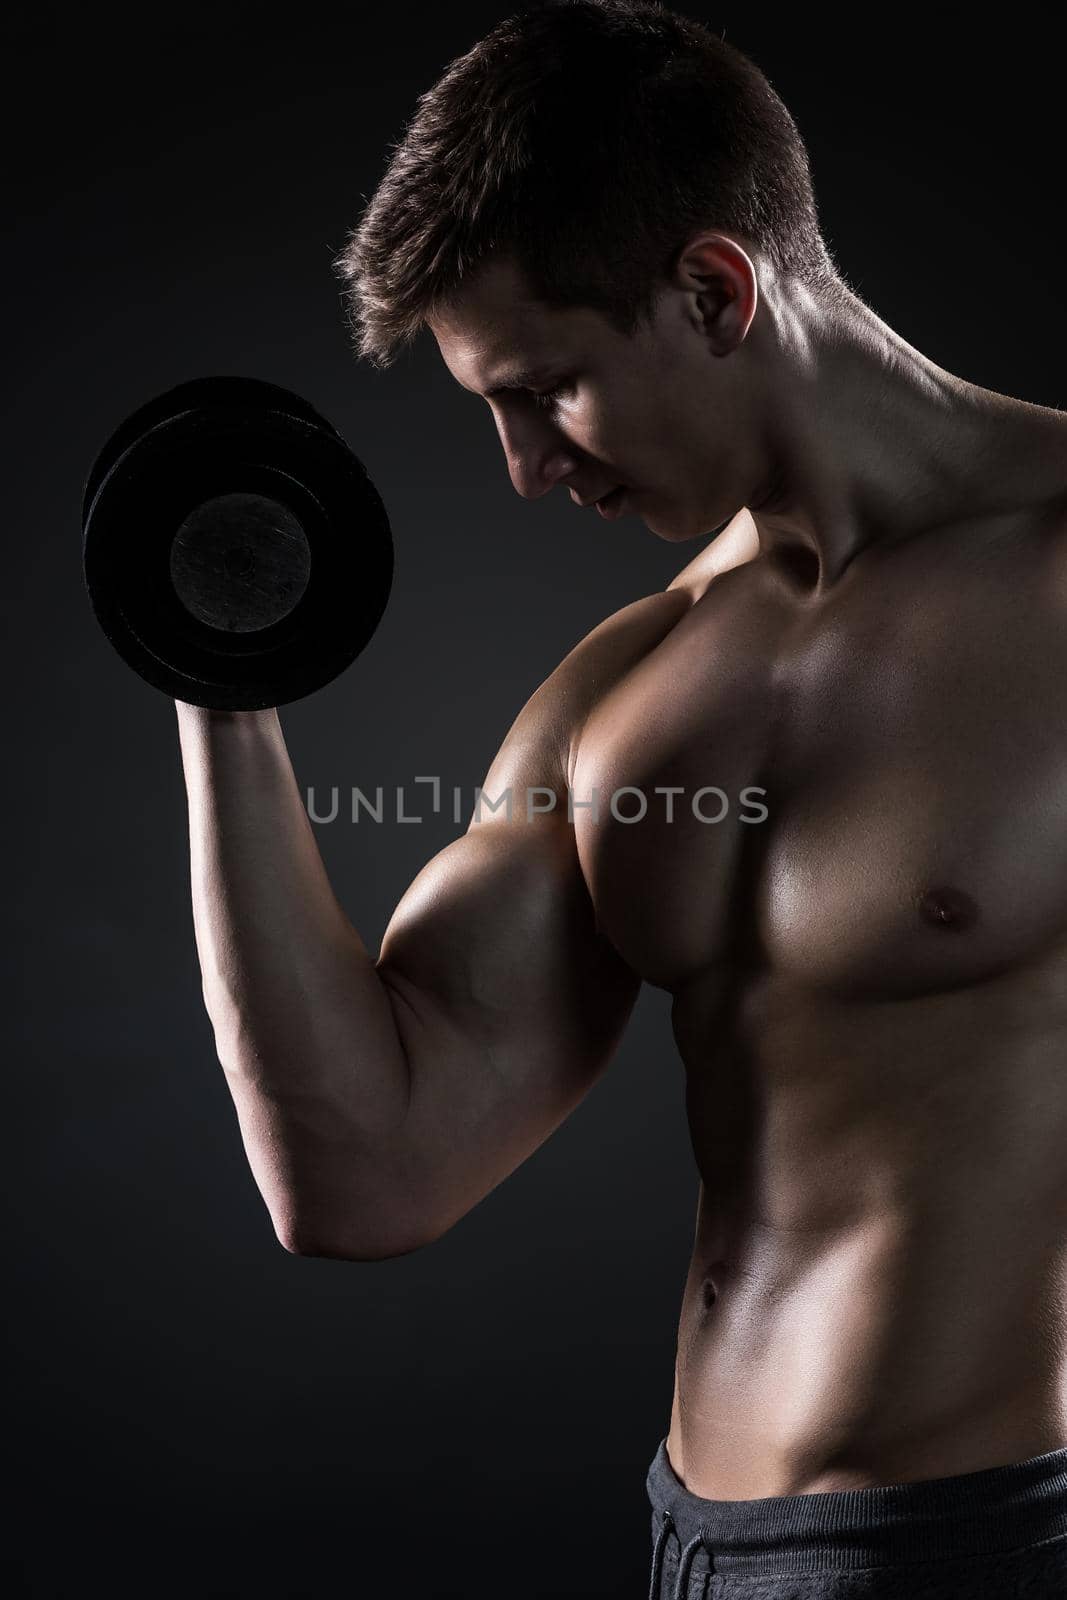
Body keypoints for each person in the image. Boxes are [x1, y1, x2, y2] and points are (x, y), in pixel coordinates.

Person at [175, 2, 1067, 1595]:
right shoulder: (629, 688)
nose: (527, 466)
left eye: (549, 390)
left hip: (1001, 1541)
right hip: (696, 1544)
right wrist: (216, 673)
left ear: (716, 292)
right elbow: (365, 1166)